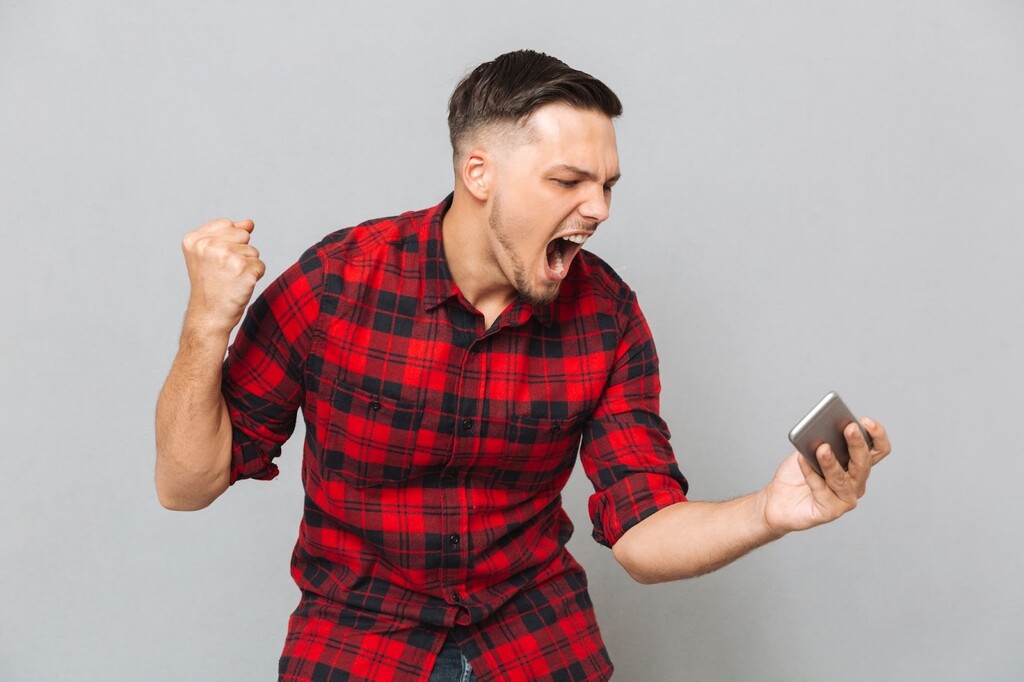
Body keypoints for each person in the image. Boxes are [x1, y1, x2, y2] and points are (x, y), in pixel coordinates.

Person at [155, 49, 892, 682]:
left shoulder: (607, 315)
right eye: (568, 182)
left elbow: (642, 533)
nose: (598, 209)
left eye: (607, 185)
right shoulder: (338, 283)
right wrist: (206, 325)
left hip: (537, 644)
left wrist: (767, 513)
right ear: (481, 173)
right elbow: (186, 487)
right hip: (358, 643)